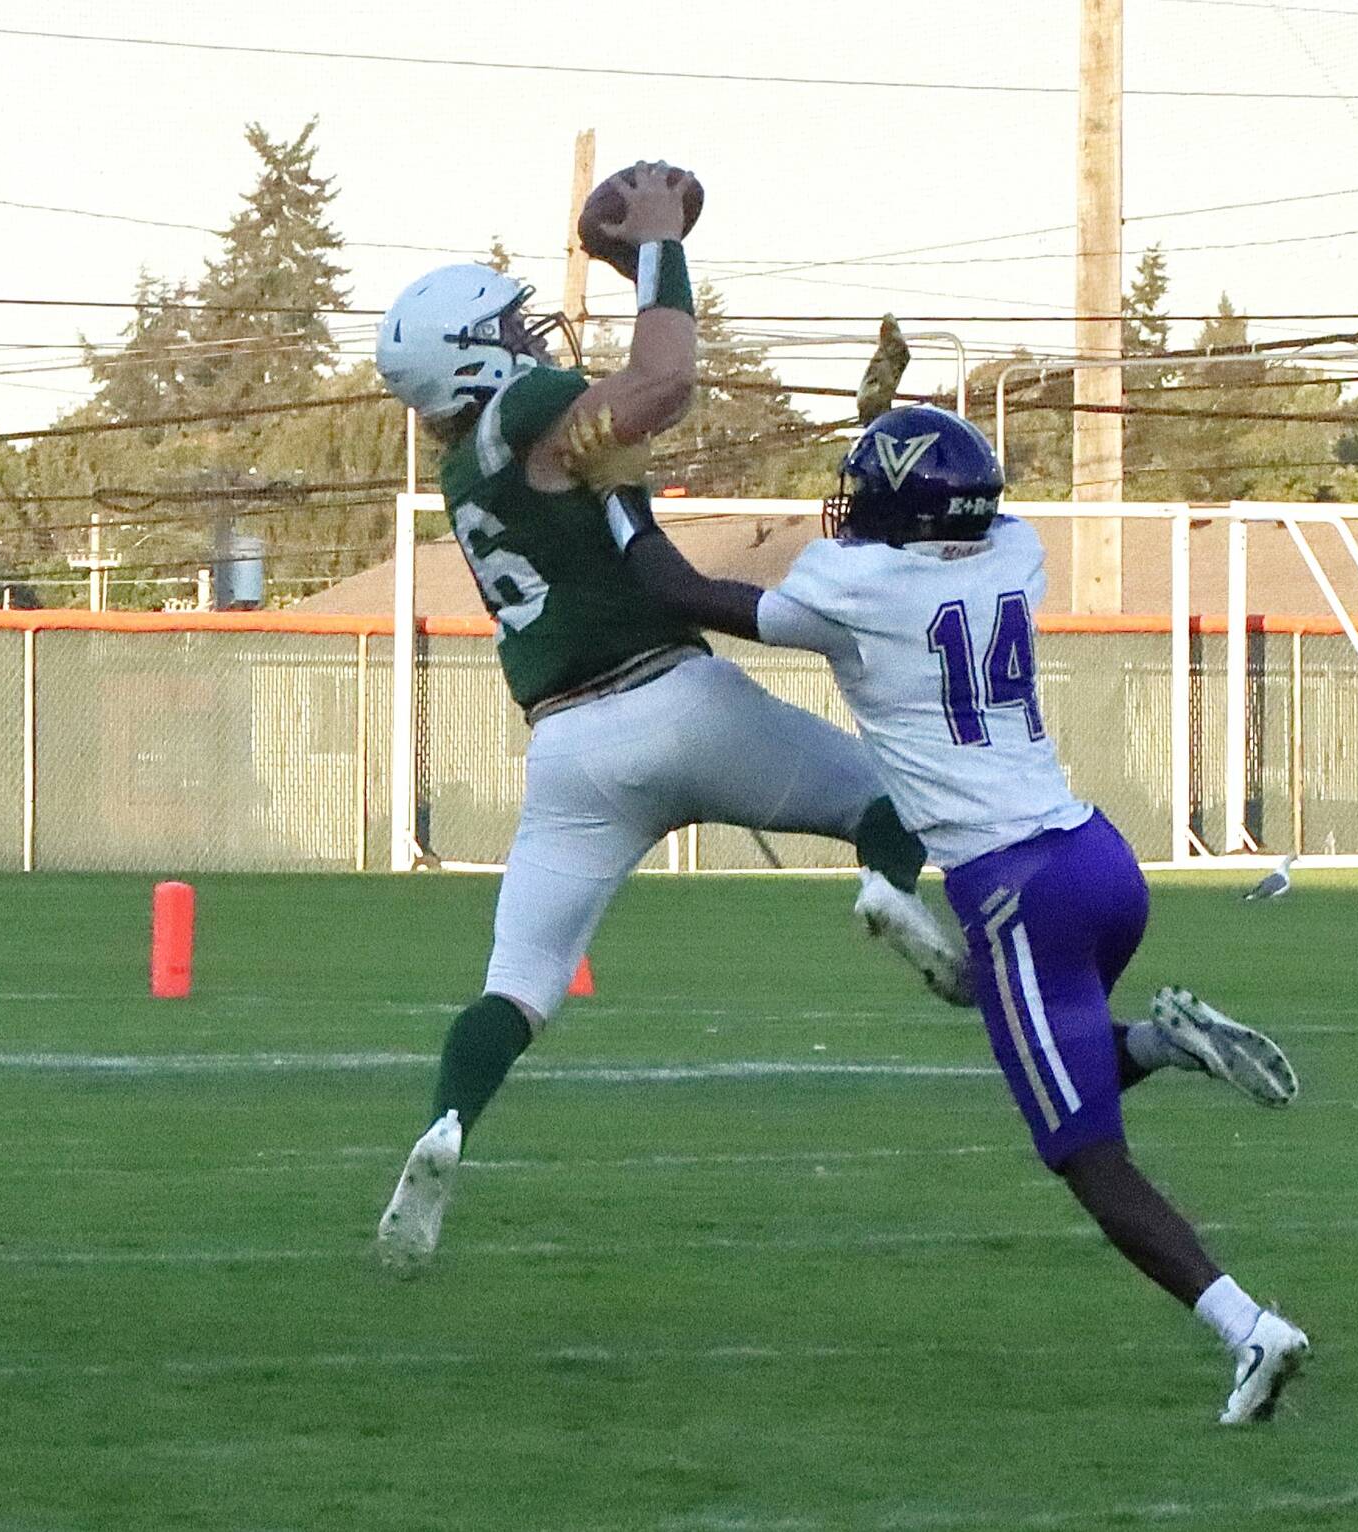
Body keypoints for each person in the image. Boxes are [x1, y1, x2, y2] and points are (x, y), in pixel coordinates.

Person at [638, 404, 1307, 1423]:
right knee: (1038, 1044)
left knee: (1084, 1150)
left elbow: (679, 590)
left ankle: (1247, 1327)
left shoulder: (853, 585)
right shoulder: (1013, 550)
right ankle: (1163, 1042)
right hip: (1094, 857)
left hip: (1012, 887)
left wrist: (607, 493)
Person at [368, 165, 967, 1270]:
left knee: (518, 985)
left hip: (565, 747)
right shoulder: (531, 407)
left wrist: (632, 268)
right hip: (672, 699)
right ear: (470, 352)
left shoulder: (465, 467)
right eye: (503, 324)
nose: (527, 332)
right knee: (887, 803)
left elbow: (607, 436)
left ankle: (447, 1124)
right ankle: (886, 889)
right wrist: (656, 242)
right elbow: (665, 376)